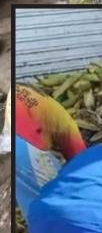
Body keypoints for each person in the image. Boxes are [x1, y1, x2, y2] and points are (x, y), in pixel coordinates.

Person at [14, 84, 88, 220]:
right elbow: (82, 165)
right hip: (21, 142)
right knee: (57, 206)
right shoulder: (68, 125)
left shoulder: (23, 91)